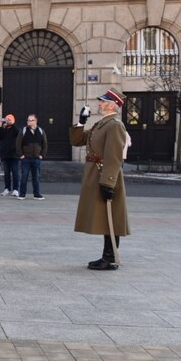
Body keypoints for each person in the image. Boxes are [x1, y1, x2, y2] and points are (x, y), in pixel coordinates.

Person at [69, 89, 130, 270]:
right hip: (96, 174)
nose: (99, 104)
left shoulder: (115, 125)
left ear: (112, 105)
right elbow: (78, 140)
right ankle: (106, 256)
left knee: (111, 217)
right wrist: (81, 122)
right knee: (104, 216)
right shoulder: (101, 124)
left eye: (102, 102)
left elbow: (114, 156)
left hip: (105, 174)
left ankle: (110, 258)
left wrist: (108, 181)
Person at [15, 114, 48, 200]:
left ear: (35, 121)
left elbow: (44, 143)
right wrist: (21, 155)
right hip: (25, 158)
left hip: (37, 158)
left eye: (31, 120)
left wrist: (42, 155)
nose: (29, 122)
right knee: (24, 176)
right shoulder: (23, 130)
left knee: (36, 177)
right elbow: (18, 143)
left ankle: (36, 194)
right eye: (28, 120)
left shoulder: (41, 130)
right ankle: (22, 194)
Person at [0, 114, 19, 196]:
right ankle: (7, 188)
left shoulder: (15, 129)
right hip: (5, 155)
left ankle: (15, 189)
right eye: (6, 119)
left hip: (14, 155)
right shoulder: (4, 129)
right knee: (6, 173)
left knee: (15, 172)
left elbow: (17, 132)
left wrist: (12, 123)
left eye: (9, 120)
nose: (7, 121)